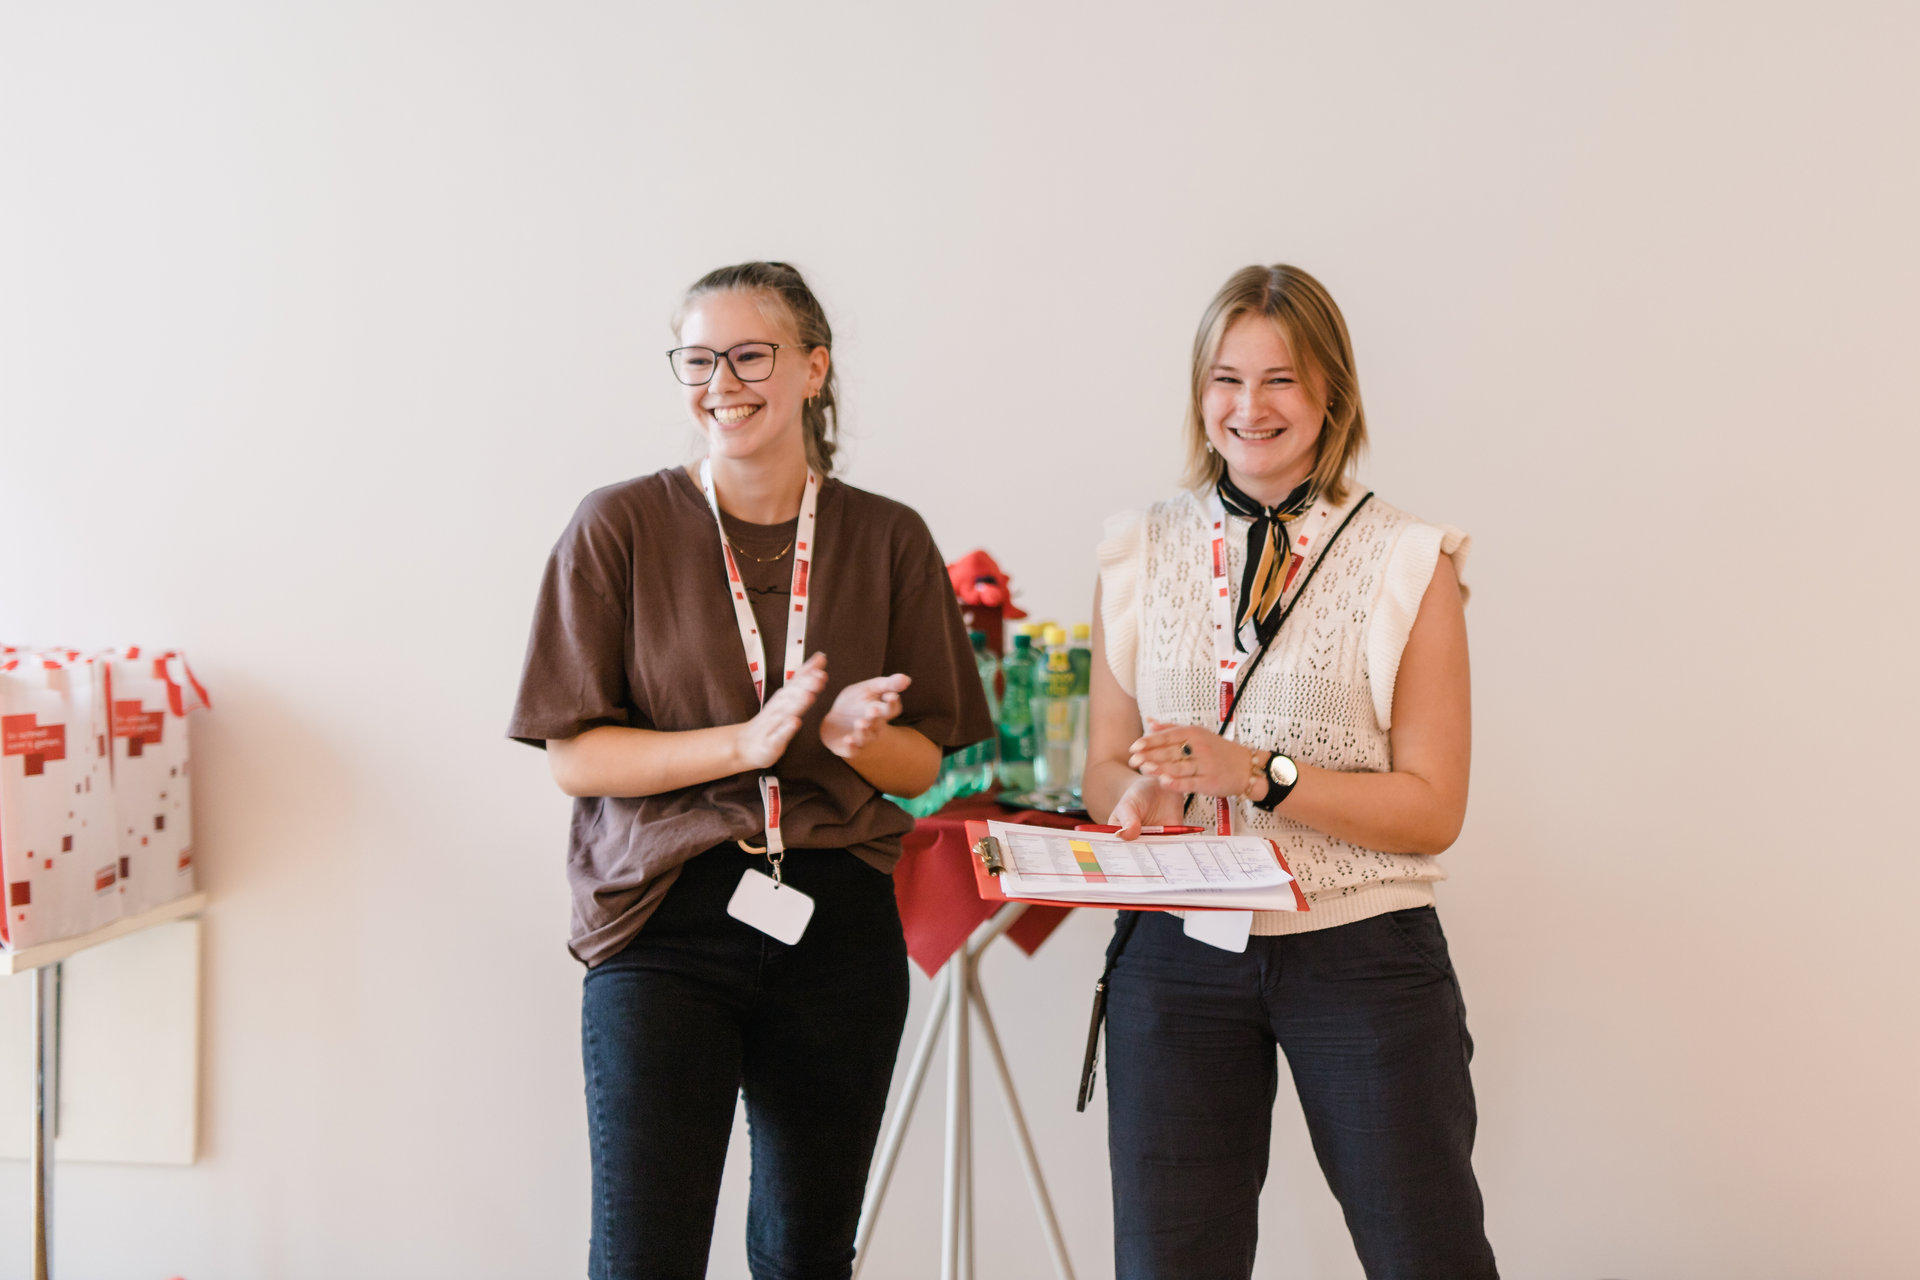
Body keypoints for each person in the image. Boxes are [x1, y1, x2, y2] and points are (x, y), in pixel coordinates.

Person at [507, 261, 992, 1280]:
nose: (719, 380)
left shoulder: (889, 535)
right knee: (644, 1254)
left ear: (814, 367)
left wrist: (864, 739)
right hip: (665, 914)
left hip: (837, 918)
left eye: (749, 354)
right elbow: (576, 756)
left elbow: (923, 765)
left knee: (806, 1252)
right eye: (697, 358)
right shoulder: (619, 526)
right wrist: (744, 742)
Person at [1083, 264, 1497, 1279]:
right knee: (1168, 1263)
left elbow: (1432, 808)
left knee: (1423, 1254)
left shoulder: (1409, 559)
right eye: (1227, 378)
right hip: (1177, 953)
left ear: (1332, 396)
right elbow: (1101, 765)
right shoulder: (1138, 547)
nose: (1249, 407)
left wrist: (1260, 771)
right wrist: (1140, 796)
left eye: (1281, 380)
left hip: (1358, 952)